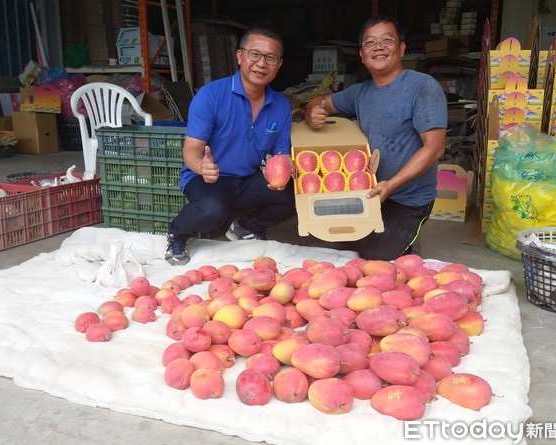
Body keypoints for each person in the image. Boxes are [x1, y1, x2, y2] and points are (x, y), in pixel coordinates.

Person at [304, 14, 447, 261]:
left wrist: (391, 185)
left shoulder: (423, 87)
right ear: (361, 54)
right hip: (367, 193)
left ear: (401, 48)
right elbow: (319, 101)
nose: (378, 47)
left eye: (387, 40)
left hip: (407, 198)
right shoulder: (360, 92)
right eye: (370, 42)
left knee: (374, 256)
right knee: (327, 248)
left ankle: (408, 237)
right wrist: (311, 112)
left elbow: (434, 148)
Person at [166, 21, 295, 265]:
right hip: (207, 178)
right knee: (212, 210)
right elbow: (191, 149)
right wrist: (200, 166)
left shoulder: (281, 105)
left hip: (247, 179)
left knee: (297, 194)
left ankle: (246, 227)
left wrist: (288, 171)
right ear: (240, 56)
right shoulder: (211, 95)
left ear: (279, 65)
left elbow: (281, 156)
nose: (261, 63)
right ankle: (177, 233)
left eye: (270, 57)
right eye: (254, 54)